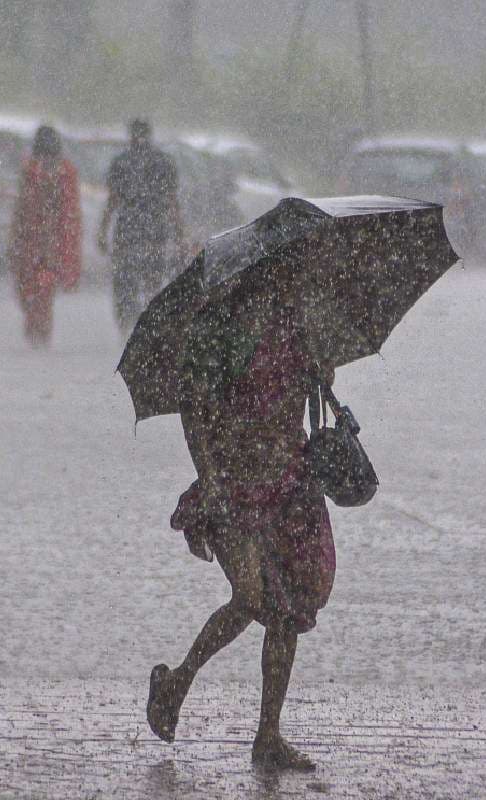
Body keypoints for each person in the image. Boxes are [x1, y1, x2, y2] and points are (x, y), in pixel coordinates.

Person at [145, 264, 336, 771]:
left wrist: (322, 369)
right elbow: (194, 408)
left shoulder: (298, 324)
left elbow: (309, 390)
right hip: (232, 485)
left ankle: (268, 736)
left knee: (288, 610)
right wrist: (209, 481)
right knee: (251, 598)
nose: (293, 283)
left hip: (290, 483)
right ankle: (177, 682)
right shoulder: (217, 330)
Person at [97, 119, 186, 332]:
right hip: (155, 229)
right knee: (152, 278)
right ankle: (149, 321)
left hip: (127, 229)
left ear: (130, 135)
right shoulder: (164, 162)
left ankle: (126, 322)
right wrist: (180, 232)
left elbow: (113, 201)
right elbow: (172, 201)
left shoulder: (121, 163)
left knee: (124, 280)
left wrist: (103, 230)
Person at [8, 125, 81, 347]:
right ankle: (39, 330)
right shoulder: (62, 172)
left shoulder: (34, 171)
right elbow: (70, 212)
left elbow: (23, 207)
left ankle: (37, 331)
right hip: (48, 240)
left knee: (33, 286)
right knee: (41, 288)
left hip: (35, 239)